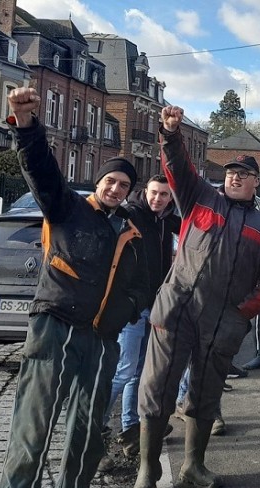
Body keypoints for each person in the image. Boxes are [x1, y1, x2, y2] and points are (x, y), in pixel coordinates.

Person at [0, 88, 149, 488]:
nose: (116, 188)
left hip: (99, 342)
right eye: (111, 180)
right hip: (54, 329)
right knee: (29, 437)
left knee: (85, 439)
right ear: (99, 182)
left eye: (124, 184)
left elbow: (142, 286)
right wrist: (26, 124)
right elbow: (40, 169)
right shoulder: (66, 207)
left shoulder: (131, 233)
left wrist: (122, 314)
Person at [129, 105, 260, 488]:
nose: (235, 176)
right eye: (231, 171)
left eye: (244, 173)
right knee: (157, 389)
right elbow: (178, 167)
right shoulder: (199, 198)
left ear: (256, 181)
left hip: (223, 321)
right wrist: (170, 133)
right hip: (176, 311)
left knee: (205, 393)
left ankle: (193, 464)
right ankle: (148, 470)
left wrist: (242, 313)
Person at [103, 175, 180, 458]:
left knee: (138, 373)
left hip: (154, 306)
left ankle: (130, 428)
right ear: (144, 192)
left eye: (164, 195)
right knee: (122, 371)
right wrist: (128, 300)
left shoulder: (164, 219)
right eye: (154, 193)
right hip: (132, 309)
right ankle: (94, 429)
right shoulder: (131, 215)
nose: (157, 199)